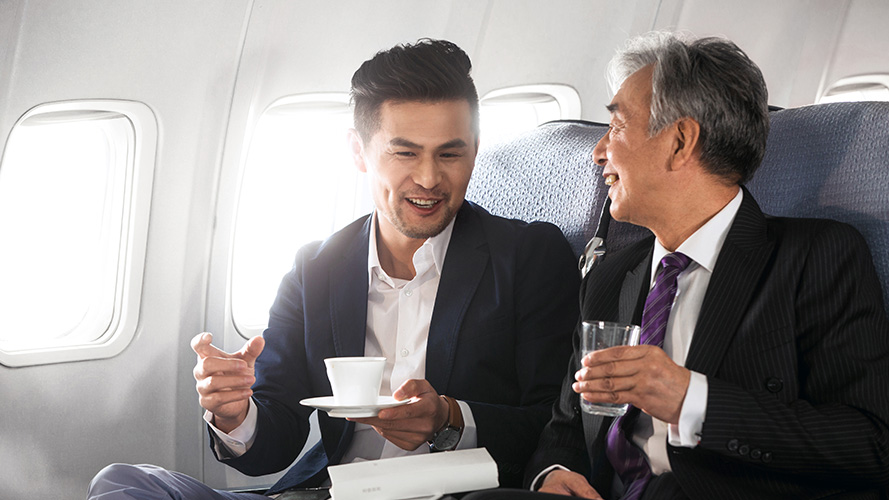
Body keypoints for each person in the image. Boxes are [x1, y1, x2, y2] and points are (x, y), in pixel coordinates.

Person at [88, 39, 579, 499]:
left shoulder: (528, 256)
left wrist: (450, 419)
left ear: (474, 147)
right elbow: (275, 438)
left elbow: (559, 426)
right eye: (405, 152)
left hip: (455, 493)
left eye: (451, 153)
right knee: (123, 482)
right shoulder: (316, 269)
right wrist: (236, 414)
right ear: (358, 151)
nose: (430, 178)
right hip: (333, 492)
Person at [466, 32, 889, 500]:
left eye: (617, 127)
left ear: (680, 141)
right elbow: (565, 425)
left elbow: (870, 444)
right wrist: (555, 471)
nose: (598, 151)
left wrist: (693, 400)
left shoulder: (816, 257)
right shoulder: (611, 277)